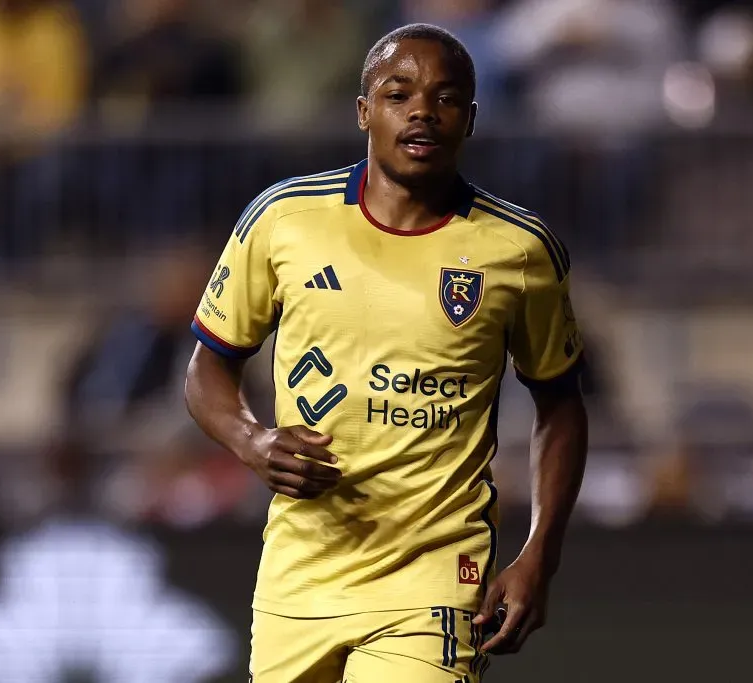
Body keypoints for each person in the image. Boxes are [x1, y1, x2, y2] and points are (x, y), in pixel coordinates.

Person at [185, 23, 588, 682]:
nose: (423, 110)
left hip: (432, 579)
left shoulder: (519, 250)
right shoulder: (284, 219)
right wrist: (251, 441)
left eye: (446, 97)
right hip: (299, 575)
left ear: (471, 118)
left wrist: (540, 552)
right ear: (364, 111)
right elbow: (207, 367)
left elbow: (561, 404)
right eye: (399, 94)